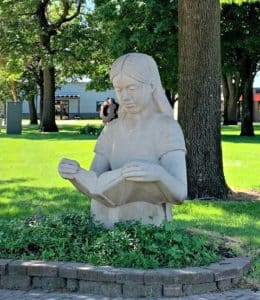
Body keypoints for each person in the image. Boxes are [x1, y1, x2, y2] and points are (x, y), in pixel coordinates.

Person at [58, 53, 187, 227]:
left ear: (151, 86)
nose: (125, 97)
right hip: (103, 228)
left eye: (132, 88)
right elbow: (96, 182)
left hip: (148, 232)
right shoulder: (111, 129)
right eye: (119, 90)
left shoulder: (167, 129)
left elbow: (180, 193)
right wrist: (75, 174)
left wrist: (159, 175)